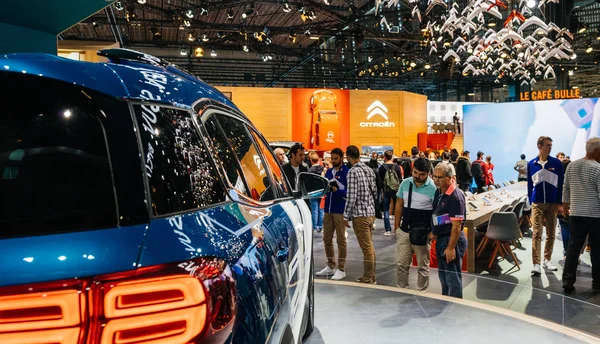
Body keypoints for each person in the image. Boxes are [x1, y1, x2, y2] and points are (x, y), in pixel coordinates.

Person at [562, 138, 600, 293]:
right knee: (597, 249)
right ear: (597, 151)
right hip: (595, 215)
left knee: (573, 248)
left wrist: (565, 208)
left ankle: (567, 281)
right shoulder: (597, 168)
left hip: (576, 213)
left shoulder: (572, 165)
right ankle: (597, 282)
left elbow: (566, 188)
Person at [394, 158, 436, 291]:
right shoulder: (405, 183)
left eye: (422, 174)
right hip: (404, 231)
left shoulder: (434, 188)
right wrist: (396, 228)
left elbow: (437, 212)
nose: (418, 176)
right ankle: (402, 289)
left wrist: (432, 232)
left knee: (423, 266)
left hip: (423, 234)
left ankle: (422, 291)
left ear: (428, 173)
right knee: (401, 264)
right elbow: (399, 205)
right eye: (415, 172)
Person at [527, 136, 564, 275]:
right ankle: (536, 263)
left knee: (551, 233)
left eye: (551, 145)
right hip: (537, 203)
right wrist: (531, 201)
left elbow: (561, 184)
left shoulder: (557, 163)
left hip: (552, 203)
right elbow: (530, 185)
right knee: (536, 233)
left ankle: (546, 259)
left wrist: (560, 202)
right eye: (548, 145)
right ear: (539, 146)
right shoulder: (532, 164)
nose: (550, 147)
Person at [431, 163, 467, 298]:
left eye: (440, 177)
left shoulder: (455, 197)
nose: (436, 180)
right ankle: (445, 300)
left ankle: (454, 304)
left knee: (453, 278)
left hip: (451, 240)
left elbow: (456, 226)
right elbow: (440, 215)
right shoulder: (439, 191)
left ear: (451, 178)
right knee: (443, 276)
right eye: (434, 176)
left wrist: (451, 247)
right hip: (442, 238)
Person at [343, 145, 378, 284]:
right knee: (370, 246)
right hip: (370, 213)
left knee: (366, 248)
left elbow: (351, 197)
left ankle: (368, 276)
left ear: (348, 156)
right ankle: (371, 275)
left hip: (360, 215)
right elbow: (375, 192)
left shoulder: (352, 172)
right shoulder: (369, 169)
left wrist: (346, 216)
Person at [316, 148, 349, 281]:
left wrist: (337, 190)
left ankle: (341, 268)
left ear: (341, 158)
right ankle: (330, 265)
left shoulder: (347, 172)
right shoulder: (329, 171)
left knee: (341, 240)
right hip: (328, 209)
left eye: (336, 158)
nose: (334, 161)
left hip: (340, 210)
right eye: (332, 158)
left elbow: (349, 192)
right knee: (326, 238)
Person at [379, 150, 402, 236]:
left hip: (386, 190)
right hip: (396, 190)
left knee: (386, 209)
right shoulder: (396, 167)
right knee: (398, 208)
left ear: (384, 157)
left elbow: (380, 180)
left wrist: (381, 190)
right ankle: (397, 228)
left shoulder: (382, 167)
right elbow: (400, 178)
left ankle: (388, 229)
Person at [308, 151, 325, 233]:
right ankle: (320, 226)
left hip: (313, 192)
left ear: (311, 160)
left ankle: (314, 227)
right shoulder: (323, 169)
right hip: (321, 191)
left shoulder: (309, 170)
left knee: (314, 210)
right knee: (321, 210)